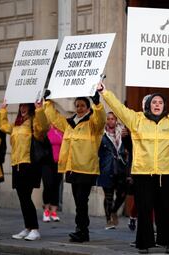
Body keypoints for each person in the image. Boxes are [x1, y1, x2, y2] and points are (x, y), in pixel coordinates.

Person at [98, 82, 169, 254]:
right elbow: (118, 108)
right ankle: (144, 244)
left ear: (164, 106)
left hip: (167, 173)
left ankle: (168, 242)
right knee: (144, 209)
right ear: (148, 105)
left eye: (160, 103)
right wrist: (105, 92)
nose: (157, 105)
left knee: (167, 209)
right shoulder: (136, 119)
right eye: (154, 102)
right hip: (143, 173)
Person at [43, 91, 106, 243]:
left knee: (81, 201)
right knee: (79, 203)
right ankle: (80, 230)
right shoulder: (69, 123)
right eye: (77, 105)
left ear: (88, 107)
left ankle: (82, 231)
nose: (79, 108)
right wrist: (48, 101)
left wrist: (97, 104)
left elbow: (101, 120)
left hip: (86, 169)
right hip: (72, 168)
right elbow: (54, 118)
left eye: (83, 105)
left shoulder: (92, 123)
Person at [0, 102, 48, 241]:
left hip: (29, 164)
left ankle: (35, 229)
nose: (23, 108)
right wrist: (3, 108)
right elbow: (3, 126)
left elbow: (43, 127)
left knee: (26, 197)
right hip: (17, 165)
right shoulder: (17, 125)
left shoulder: (33, 122)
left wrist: (39, 108)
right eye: (21, 106)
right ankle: (28, 227)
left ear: (30, 108)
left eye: (26, 106)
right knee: (22, 198)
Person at [97, 112, 128, 230]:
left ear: (116, 120)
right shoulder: (101, 134)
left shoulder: (122, 132)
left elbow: (128, 147)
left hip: (121, 168)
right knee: (109, 195)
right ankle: (109, 220)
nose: (110, 121)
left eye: (113, 119)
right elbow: (98, 151)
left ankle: (114, 211)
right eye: (108, 119)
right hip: (107, 167)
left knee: (122, 194)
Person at [42, 124, 64, 222]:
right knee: (47, 185)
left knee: (56, 185)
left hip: (59, 163)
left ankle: (54, 211)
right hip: (46, 163)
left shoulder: (61, 131)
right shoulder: (45, 131)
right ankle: (46, 210)